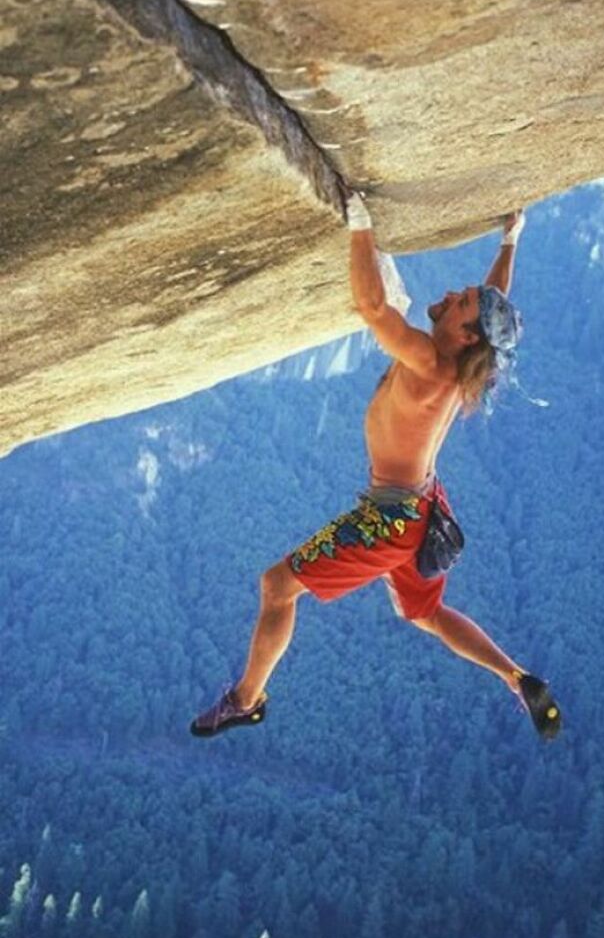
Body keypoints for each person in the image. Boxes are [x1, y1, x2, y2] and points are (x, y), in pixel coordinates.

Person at [191, 195, 561, 740]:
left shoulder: (430, 363)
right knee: (426, 615)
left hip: (389, 523)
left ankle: (246, 700)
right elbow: (494, 301)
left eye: (459, 301)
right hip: (425, 508)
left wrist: (357, 218)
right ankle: (515, 675)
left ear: (465, 335)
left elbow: (372, 308)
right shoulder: (463, 366)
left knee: (276, 587)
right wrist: (511, 238)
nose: (451, 293)